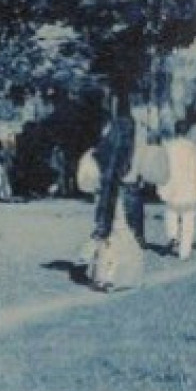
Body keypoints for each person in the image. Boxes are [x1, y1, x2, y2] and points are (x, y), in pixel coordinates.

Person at [83, 95, 145, 292]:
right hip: (125, 197)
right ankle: (114, 276)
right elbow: (136, 177)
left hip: (106, 196)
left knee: (107, 233)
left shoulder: (103, 151)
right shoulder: (130, 153)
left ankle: (102, 275)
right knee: (121, 234)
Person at [158, 119, 196, 260]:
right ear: (186, 132)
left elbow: (162, 168)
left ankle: (172, 236)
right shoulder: (193, 149)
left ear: (175, 130)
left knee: (171, 213)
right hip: (190, 189)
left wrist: (161, 188)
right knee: (188, 221)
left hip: (172, 187)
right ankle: (184, 252)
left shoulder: (168, 147)